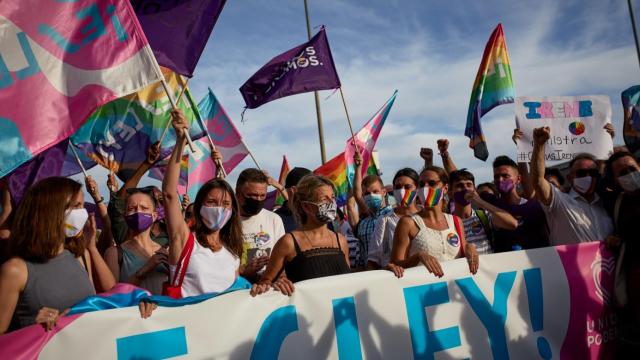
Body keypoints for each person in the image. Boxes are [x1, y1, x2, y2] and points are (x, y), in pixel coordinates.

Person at [0, 177, 112, 333]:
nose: (83, 213)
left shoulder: (81, 256)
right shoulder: (15, 270)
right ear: (51, 211)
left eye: (83, 205)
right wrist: (32, 328)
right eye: (77, 206)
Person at [161, 109, 244, 298]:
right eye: (212, 202)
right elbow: (169, 194)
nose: (219, 209)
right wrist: (181, 141)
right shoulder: (185, 241)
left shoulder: (233, 255)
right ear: (199, 207)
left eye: (225, 204)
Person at [250, 174, 350, 297]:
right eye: (324, 199)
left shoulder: (340, 241)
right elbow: (265, 283)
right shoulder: (288, 243)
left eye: (333, 198)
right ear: (306, 206)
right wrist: (276, 283)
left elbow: (348, 283)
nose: (332, 203)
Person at [388, 166, 478, 278]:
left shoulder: (455, 221)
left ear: (445, 188)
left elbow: (464, 254)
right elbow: (395, 264)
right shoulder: (408, 223)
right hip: (422, 290)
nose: (425, 188)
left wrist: (470, 248)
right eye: (421, 184)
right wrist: (418, 257)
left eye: (431, 183)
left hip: (454, 289)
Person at [530, 127, 613, 245]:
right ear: (569, 178)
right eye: (581, 173)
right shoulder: (560, 202)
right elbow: (538, 180)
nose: (588, 177)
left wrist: (607, 142)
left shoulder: (607, 204)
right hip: (567, 263)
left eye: (593, 173)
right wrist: (539, 145)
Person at [602, 151, 640, 350]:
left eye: (632, 169)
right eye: (622, 173)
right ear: (615, 181)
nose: (629, 174)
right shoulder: (617, 203)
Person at [104, 189, 169, 295]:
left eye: (144, 208)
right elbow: (113, 296)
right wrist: (145, 270)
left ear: (154, 216)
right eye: (132, 208)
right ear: (125, 216)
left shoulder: (164, 251)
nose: (138, 212)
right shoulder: (114, 253)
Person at [479, 155, 550, 251]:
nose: (500, 180)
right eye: (496, 176)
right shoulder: (491, 203)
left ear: (519, 179)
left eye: (505, 176)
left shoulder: (534, 207)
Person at [108, 143, 169, 247]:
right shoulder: (126, 230)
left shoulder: (171, 235)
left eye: (162, 201)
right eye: (155, 201)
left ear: (154, 214)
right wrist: (146, 164)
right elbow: (120, 201)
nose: (159, 204)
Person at [449, 169, 518, 254]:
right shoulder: (447, 222)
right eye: (459, 185)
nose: (465, 188)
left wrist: (481, 202)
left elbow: (513, 224)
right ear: (450, 193)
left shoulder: (484, 216)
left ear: (474, 190)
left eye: (469, 184)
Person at [235, 168, 286, 282]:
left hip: (267, 289)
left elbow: (281, 261)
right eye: (252, 195)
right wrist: (243, 270)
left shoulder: (274, 219)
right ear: (238, 193)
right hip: (238, 291)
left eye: (262, 195)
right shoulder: (226, 221)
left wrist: (280, 279)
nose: (258, 200)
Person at [367, 168, 419, 269]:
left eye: (407, 187)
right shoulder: (385, 220)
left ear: (417, 189)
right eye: (398, 187)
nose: (402, 191)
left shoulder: (425, 216)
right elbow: (373, 260)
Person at [352, 152, 393, 270]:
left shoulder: (394, 216)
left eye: (375, 192)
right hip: (370, 278)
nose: (371, 196)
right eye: (367, 194)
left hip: (393, 277)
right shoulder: (363, 224)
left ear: (384, 192)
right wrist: (358, 168)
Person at [275, 167, 311, 233]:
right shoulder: (274, 219)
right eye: (310, 189)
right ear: (294, 190)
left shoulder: (317, 216)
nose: (315, 192)